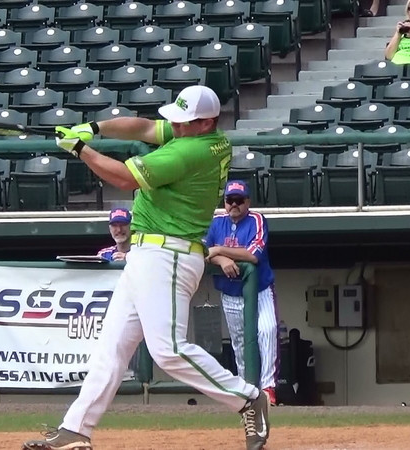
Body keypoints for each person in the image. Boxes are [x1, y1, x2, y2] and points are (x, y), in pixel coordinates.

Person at [22, 85, 270, 450]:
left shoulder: (190, 150)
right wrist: (94, 128)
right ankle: (76, 429)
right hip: (145, 255)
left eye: (185, 122)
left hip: (168, 255)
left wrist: (80, 150)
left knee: (168, 350)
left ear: (207, 123)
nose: (176, 127)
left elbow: (124, 178)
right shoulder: (202, 135)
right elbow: (145, 128)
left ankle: (248, 398)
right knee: (111, 350)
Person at [205, 180, 279, 406]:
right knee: (240, 343)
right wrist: (221, 259)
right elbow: (204, 251)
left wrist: (219, 250)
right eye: (230, 200)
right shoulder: (216, 222)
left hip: (260, 291)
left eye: (239, 200)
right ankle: (249, 390)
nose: (234, 204)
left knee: (267, 331)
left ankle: (268, 387)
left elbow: (252, 255)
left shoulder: (256, 219)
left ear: (248, 201)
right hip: (230, 293)